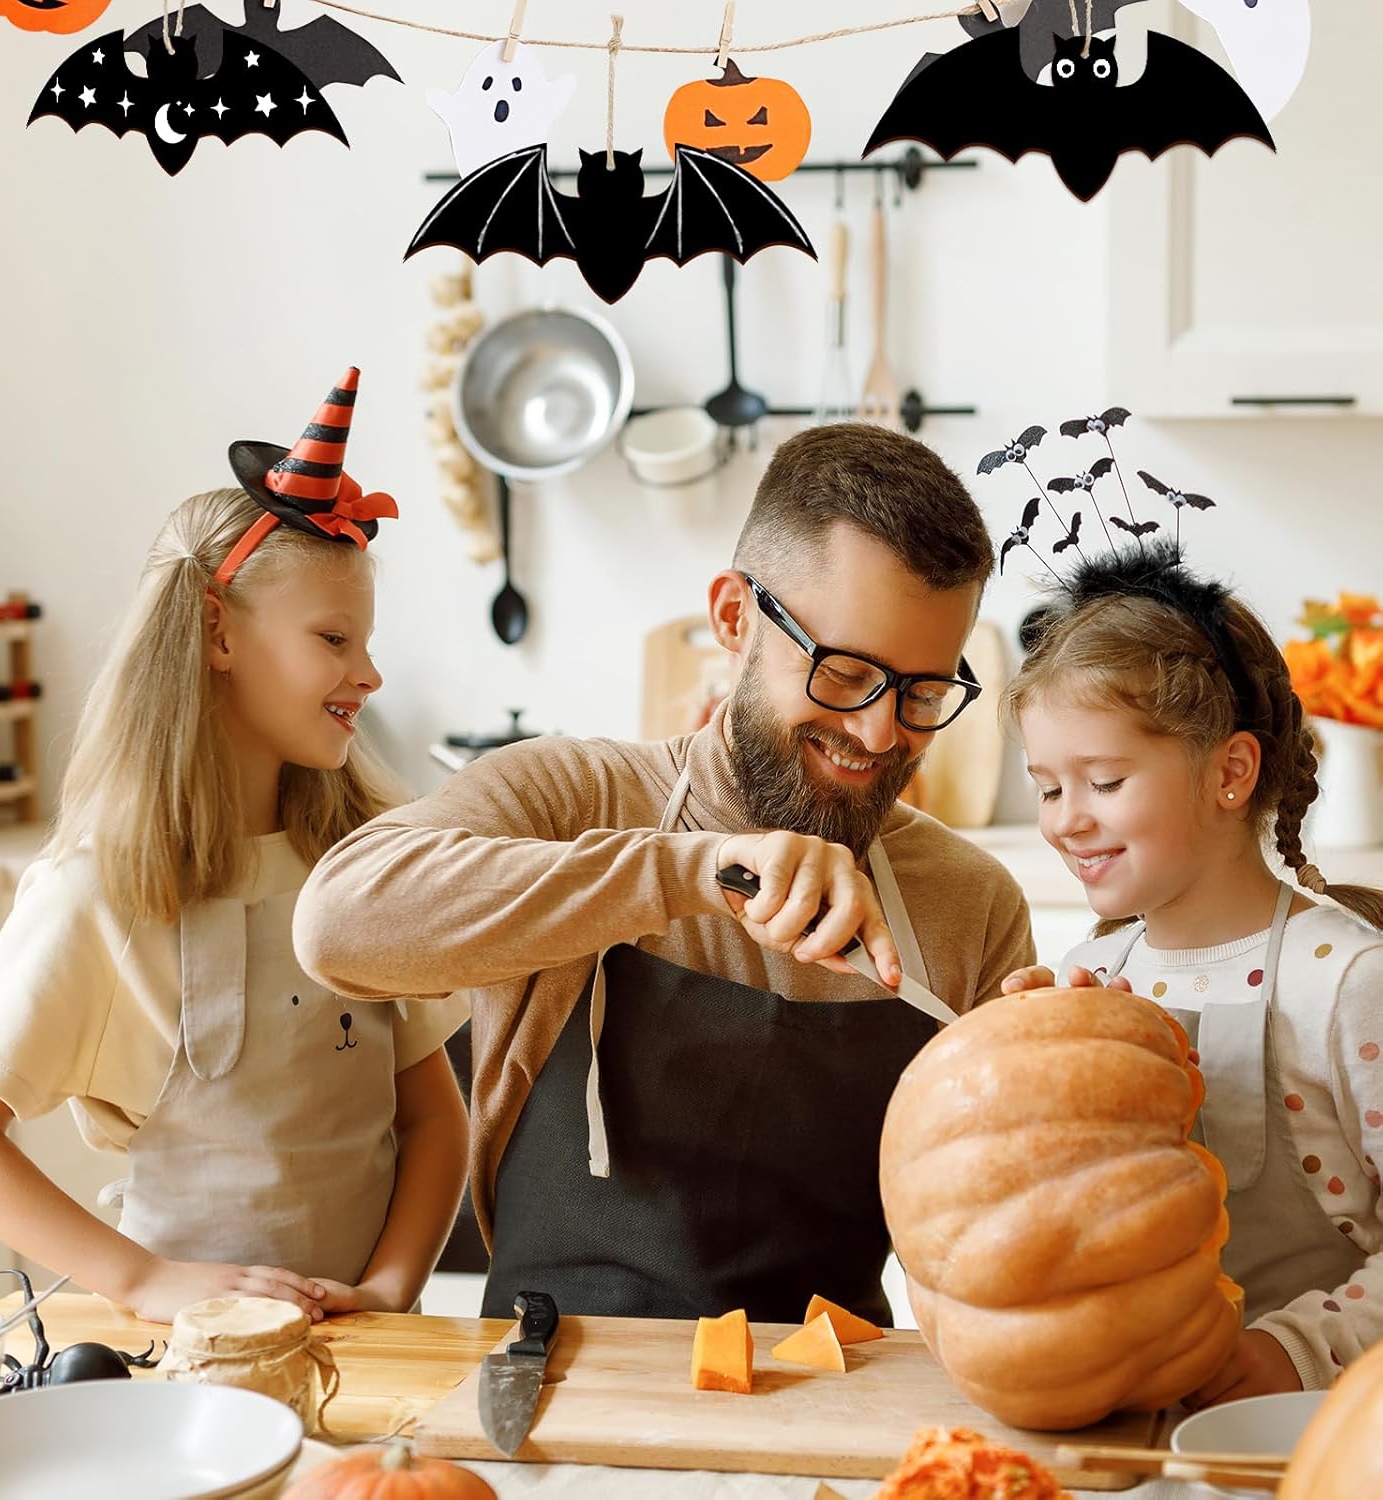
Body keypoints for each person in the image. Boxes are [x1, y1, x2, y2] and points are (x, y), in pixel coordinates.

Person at [294, 422, 1035, 1323]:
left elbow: (1000, 1240)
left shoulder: (970, 901)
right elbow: (338, 925)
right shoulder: (570, 796)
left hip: (835, 1396)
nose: (882, 735)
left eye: (922, 694)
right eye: (845, 673)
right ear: (733, 618)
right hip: (554, 1384)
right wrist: (694, 872)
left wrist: (1063, 1076)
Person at [0, 369, 469, 1323]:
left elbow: (431, 1119)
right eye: (334, 638)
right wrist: (140, 1280)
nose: (368, 673)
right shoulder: (97, 892)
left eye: (364, 641)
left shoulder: (364, 864)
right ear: (218, 631)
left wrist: (387, 1290)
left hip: (372, 1344)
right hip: (193, 1372)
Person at [1000, 536, 1383, 1403]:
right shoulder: (1091, 972)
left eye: (1102, 780)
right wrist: (1031, 1074)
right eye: (1049, 787)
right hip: (1139, 1414)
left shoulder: (1346, 982)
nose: (1066, 821)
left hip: (1320, 1426)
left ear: (1231, 773)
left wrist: (1294, 1352)